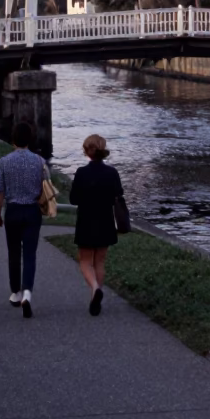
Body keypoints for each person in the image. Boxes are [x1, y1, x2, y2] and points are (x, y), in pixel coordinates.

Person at [69, 134, 125, 316]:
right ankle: (97, 294)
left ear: (86, 151)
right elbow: (118, 194)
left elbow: (73, 199)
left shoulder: (81, 172)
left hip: (86, 220)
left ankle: (94, 289)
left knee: (85, 261)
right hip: (106, 220)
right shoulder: (112, 173)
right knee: (99, 261)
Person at [0, 122, 45, 318]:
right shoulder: (39, 161)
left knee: (14, 253)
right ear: (29, 139)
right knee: (30, 253)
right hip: (32, 211)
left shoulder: (4, 161)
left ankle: (15, 293)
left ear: (13, 139)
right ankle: (28, 294)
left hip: (13, 210)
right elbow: (45, 187)